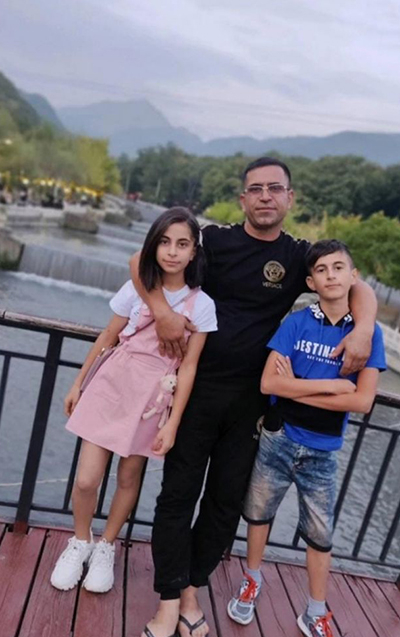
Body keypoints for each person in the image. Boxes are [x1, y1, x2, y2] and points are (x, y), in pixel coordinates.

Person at [129, 157, 377, 637]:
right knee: (178, 495)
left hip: (252, 404)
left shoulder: (297, 256)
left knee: (224, 503)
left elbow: (357, 283)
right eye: (256, 189)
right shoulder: (214, 240)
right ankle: (168, 599)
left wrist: (363, 329)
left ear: (290, 198)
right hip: (196, 390)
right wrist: (161, 310)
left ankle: (192, 587)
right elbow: (141, 262)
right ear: (243, 198)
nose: (265, 196)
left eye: (275, 188)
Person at [50, 207, 217, 594]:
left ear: (194, 251)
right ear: (153, 245)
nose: (172, 251)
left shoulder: (202, 305)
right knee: (87, 478)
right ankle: (80, 541)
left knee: (128, 478)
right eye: (165, 242)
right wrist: (78, 383)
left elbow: (189, 367)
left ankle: (106, 546)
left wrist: (172, 422)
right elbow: (108, 336)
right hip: (111, 385)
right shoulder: (139, 287)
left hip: (152, 397)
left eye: (182, 244)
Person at [227, 239, 386, 637]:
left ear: (353, 276)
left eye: (338, 268)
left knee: (320, 533)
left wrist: (294, 387)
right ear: (311, 281)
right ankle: (252, 579)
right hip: (278, 438)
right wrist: (333, 387)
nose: (330, 276)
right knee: (259, 514)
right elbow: (268, 383)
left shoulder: (367, 335)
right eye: (321, 270)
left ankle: (315, 609)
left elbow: (362, 401)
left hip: (323, 449)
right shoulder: (296, 323)